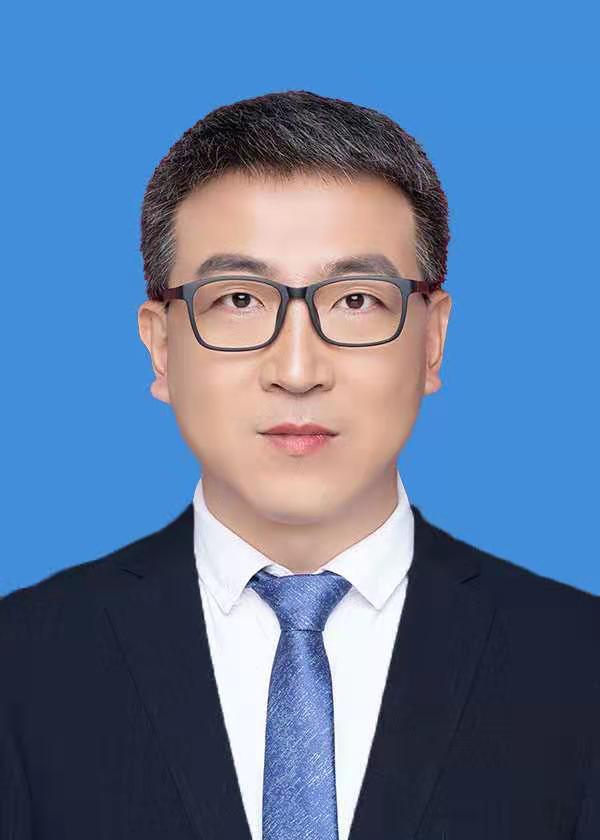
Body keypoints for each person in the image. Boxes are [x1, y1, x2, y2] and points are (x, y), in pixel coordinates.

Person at [1, 90, 598, 840]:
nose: (296, 370)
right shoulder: (22, 664)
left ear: (432, 340)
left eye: (356, 300)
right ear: (160, 347)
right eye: (238, 300)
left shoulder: (578, 664)